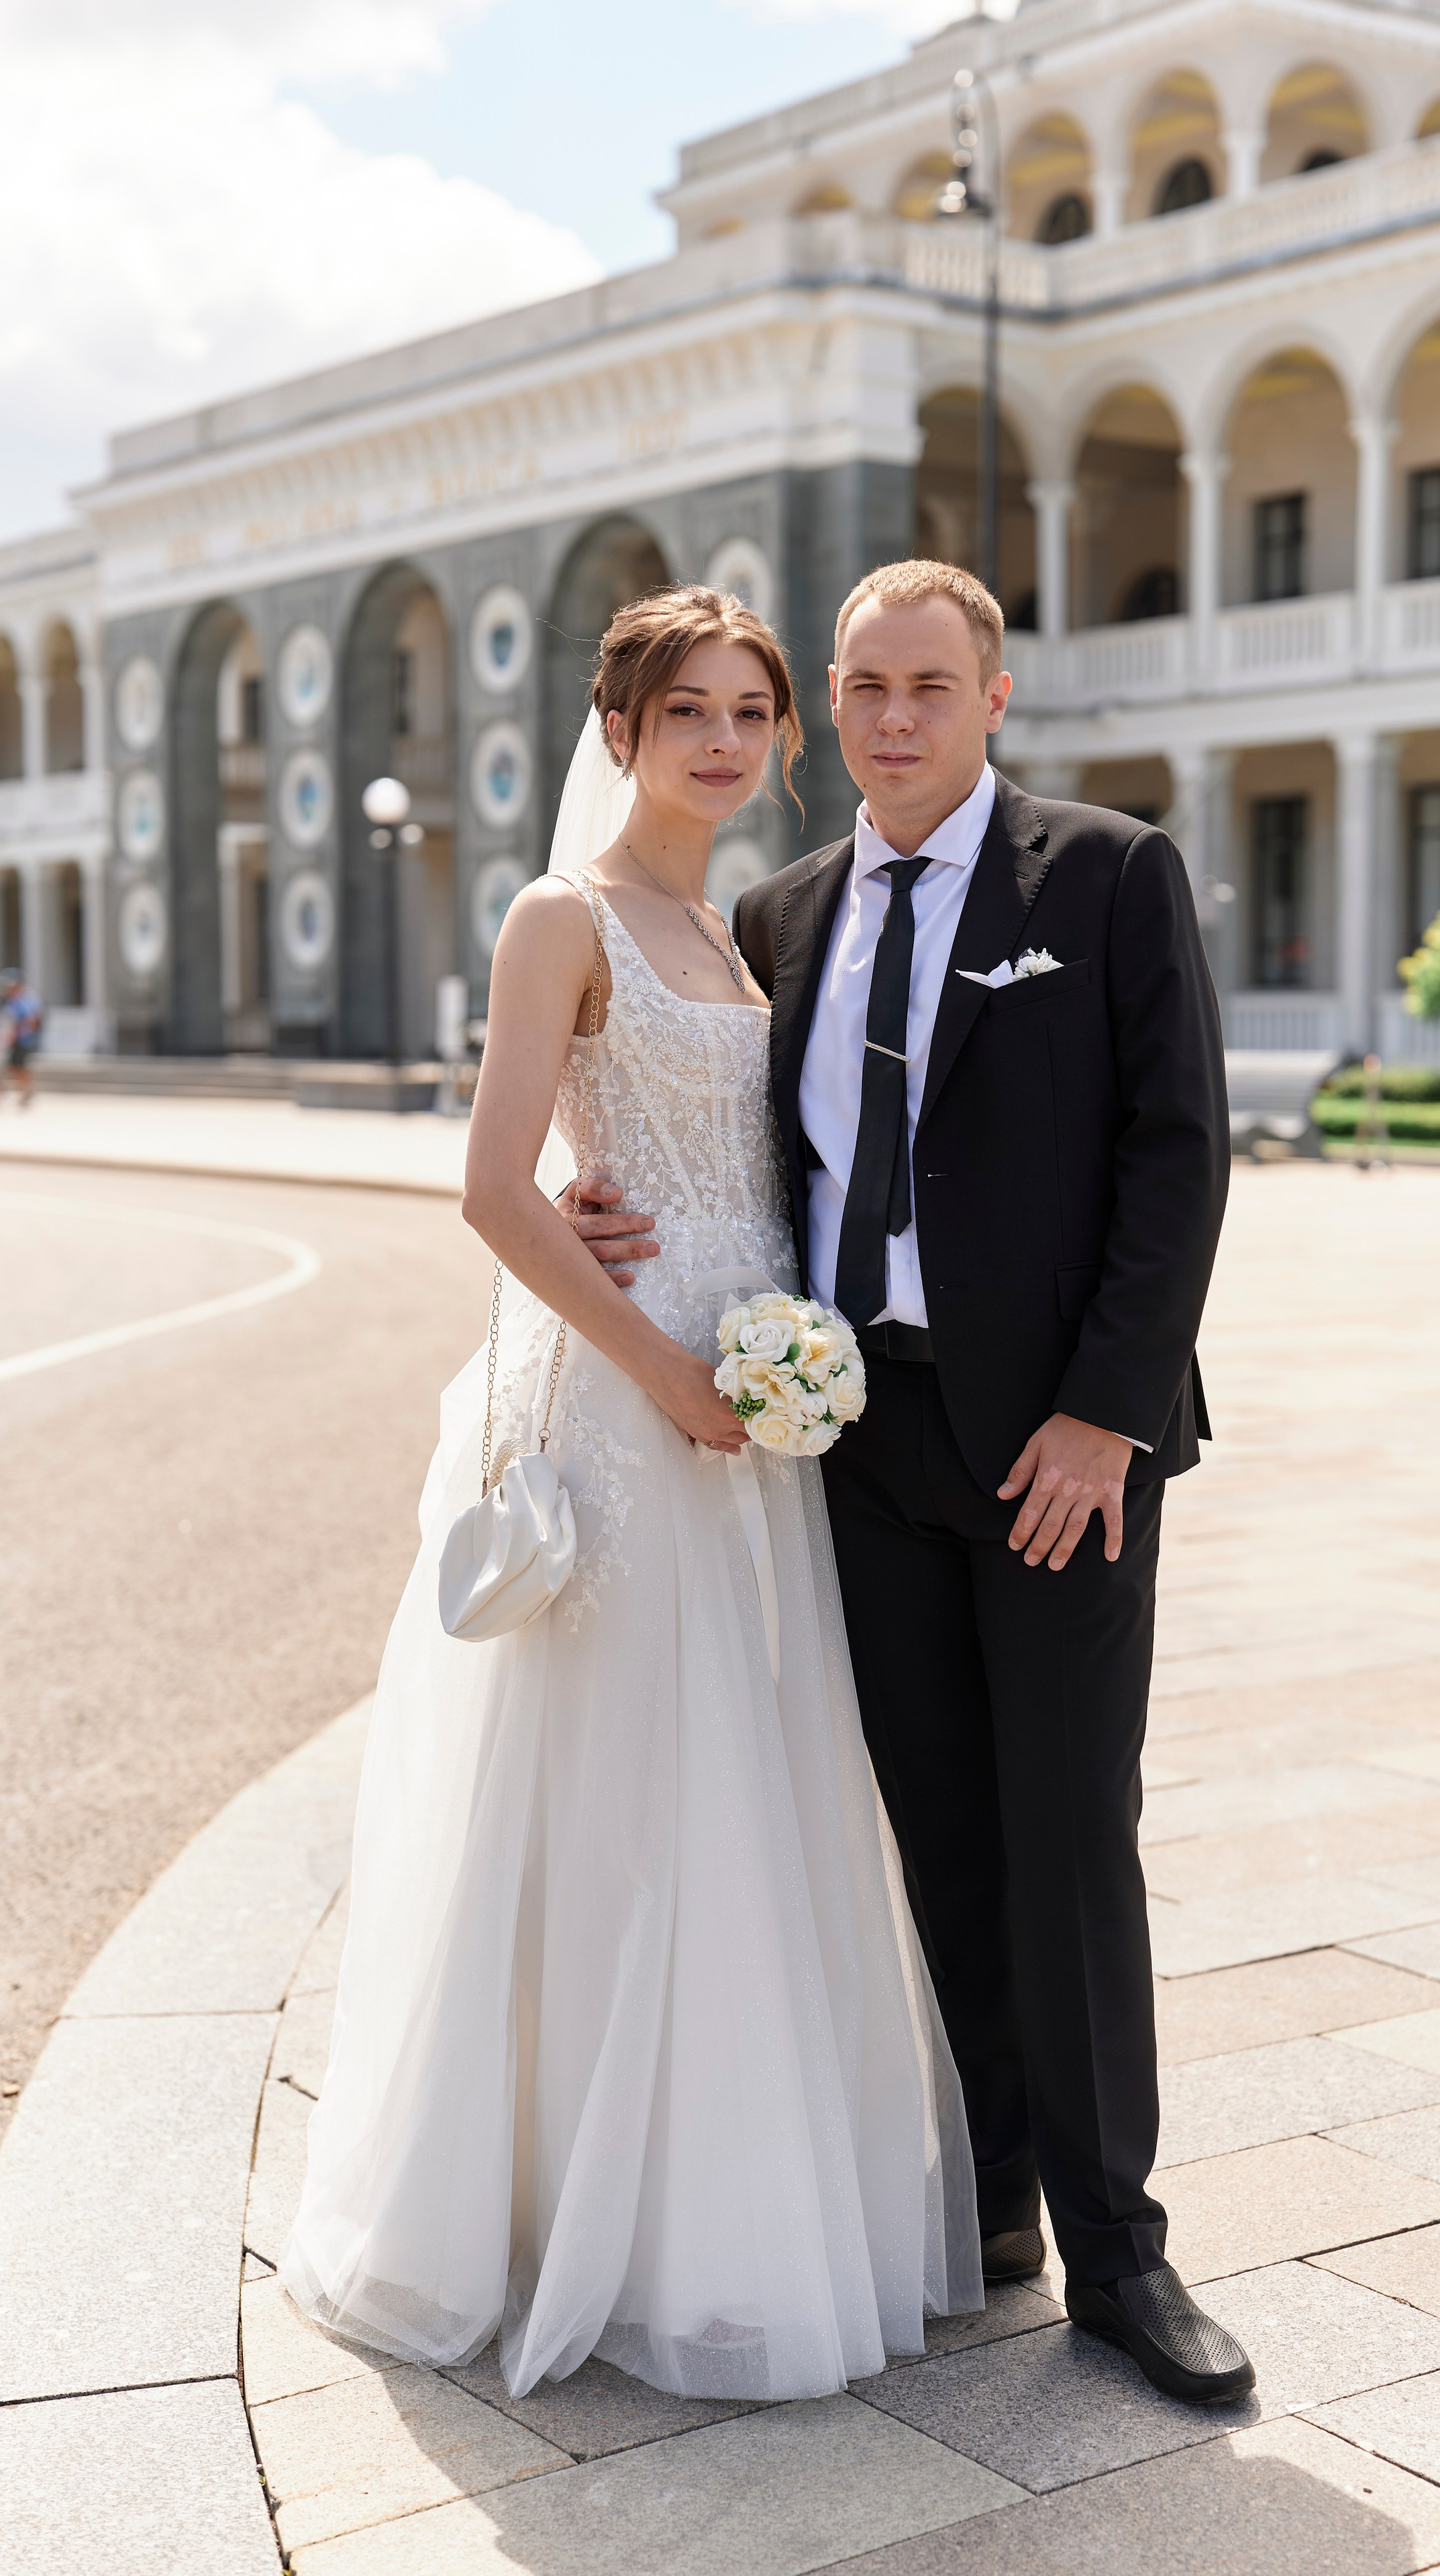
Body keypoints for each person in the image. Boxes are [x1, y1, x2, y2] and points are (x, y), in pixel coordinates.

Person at [281, 586, 981, 2404]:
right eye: (691, 711)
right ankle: (563, 2205)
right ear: (621, 729)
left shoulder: (745, 931)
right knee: (624, 1795)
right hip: (629, 1394)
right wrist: (662, 1365)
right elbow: (499, 1188)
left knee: (750, 1778)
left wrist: (766, 1365)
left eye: (755, 712)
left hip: (754, 1403)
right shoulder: (559, 916)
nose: (728, 742)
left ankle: (734, 2197)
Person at [576, 559, 1252, 2409]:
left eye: (927, 686)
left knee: (1069, 1834)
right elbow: (723, 1142)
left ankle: (1125, 2255)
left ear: (995, 699)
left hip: (1058, 1455)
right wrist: (596, 1211)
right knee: (933, 1832)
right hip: (858, 1450)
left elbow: (1177, 1151)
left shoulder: (1105, 877)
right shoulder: (783, 915)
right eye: (861, 687)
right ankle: (997, 2202)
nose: (890, 719)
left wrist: (1107, 1414)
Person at [0, 969, 42, 1110]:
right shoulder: (13, 1000)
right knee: (14, 1066)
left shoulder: (26, 999)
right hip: (14, 1038)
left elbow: (32, 1019)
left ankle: (27, 1091)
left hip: (22, 1039)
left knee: (19, 1066)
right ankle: (24, 1091)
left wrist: (20, 1034)